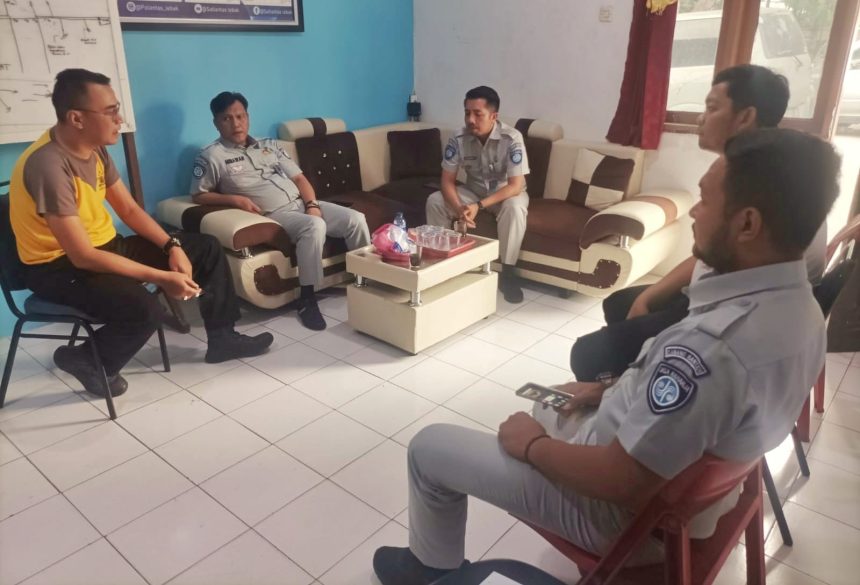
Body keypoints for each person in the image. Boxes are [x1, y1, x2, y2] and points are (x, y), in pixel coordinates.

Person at [372, 128, 840, 585]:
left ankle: (429, 569)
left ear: (747, 224)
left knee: (430, 447)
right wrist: (605, 391)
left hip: (614, 512)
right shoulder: (803, 310)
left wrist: (533, 447)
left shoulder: (712, 348)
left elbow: (623, 481)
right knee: (547, 402)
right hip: (695, 495)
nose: (695, 212)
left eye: (705, 200)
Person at [8, 69, 273, 398]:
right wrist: (161, 277)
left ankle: (223, 339)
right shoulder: (48, 165)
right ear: (77, 118)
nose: (119, 119)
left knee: (204, 248)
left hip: (104, 247)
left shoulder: (94, 148)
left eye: (117, 109)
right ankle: (87, 358)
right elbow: (83, 256)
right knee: (145, 309)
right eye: (110, 111)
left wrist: (172, 246)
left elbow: (130, 211)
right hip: (58, 267)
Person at [570, 64, 828, 383]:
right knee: (619, 303)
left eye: (712, 107)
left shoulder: (762, 180)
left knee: (587, 354)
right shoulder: (752, 162)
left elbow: (723, 266)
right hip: (726, 291)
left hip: (740, 310)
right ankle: (629, 381)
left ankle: (634, 388)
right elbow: (709, 253)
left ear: (745, 117)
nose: (700, 118)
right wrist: (650, 295)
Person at [190, 92, 371, 331]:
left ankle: (366, 281)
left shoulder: (269, 145)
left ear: (247, 117)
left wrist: (312, 205)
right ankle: (307, 298)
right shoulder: (212, 156)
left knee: (356, 219)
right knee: (314, 226)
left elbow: (299, 178)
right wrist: (234, 200)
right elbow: (198, 195)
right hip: (274, 214)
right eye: (227, 119)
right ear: (216, 122)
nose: (236, 124)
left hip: (301, 203)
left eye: (240, 116)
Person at [425, 86, 530, 303]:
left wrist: (479, 206)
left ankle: (508, 274)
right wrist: (459, 209)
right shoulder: (458, 138)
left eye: (477, 114)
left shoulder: (512, 138)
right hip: (473, 192)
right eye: (467, 113)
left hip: (505, 194)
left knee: (515, 208)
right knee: (435, 201)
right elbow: (447, 181)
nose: (470, 120)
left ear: (493, 116)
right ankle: (440, 264)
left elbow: (515, 186)